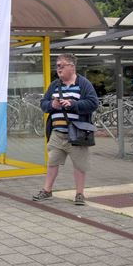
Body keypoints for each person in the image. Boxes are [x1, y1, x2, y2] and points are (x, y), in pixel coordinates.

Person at [33, 54, 98, 205]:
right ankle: (47, 191)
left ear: (72, 67)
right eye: (57, 66)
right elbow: (43, 103)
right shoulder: (55, 85)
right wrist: (52, 105)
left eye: (62, 65)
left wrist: (73, 104)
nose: (58, 69)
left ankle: (80, 194)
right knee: (52, 163)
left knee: (79, 165)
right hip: (57, 133)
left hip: (77, 133)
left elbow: (93, 103)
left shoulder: (84, 84)